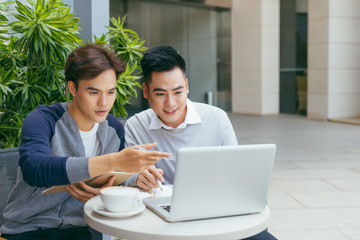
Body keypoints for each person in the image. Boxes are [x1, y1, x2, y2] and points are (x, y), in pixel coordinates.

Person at [0, 44, 170, 240]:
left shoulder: (114, 130)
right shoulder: (42, 119)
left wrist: (135, 177)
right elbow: (35, 168)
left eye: (110, 92)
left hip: (80, 229)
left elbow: (114, 178)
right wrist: (113, 161)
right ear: (73, 88)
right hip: (29, 229)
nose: (104, 103)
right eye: (94, 92)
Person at [123, 45, 278, 240]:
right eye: (160, 94)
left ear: (187, 86)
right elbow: (126, 176)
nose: (170, 103)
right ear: (145, 91)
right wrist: (137, 177)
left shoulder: (217, 118)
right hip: (162, 221)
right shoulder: (135, 126)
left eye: (178, 92)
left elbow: (237, 175)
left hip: (216, 210)